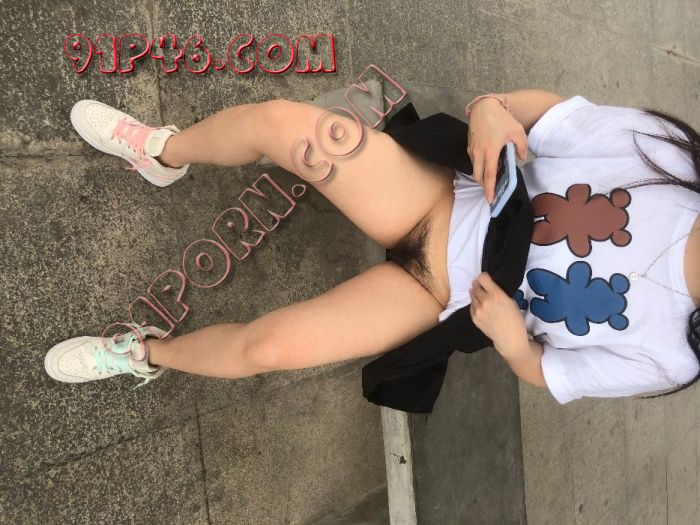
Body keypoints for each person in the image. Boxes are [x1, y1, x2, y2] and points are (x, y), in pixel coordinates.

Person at [44, 89, 700, 408]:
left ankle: (143, 352)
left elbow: (547, 372)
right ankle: (162, 152)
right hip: (440, 195)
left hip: (440, 297)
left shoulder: (672, 356)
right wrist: (491, 106)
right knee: (280, 124)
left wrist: (511, 343)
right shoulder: (671, 160)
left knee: (267, 349)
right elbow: (543, 114)